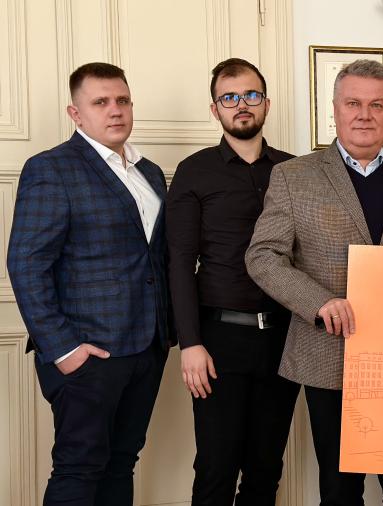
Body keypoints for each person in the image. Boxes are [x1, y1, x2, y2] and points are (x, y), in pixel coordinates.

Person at [245, 59, 383, 506]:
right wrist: (318, 303)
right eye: (353, 103)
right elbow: (262, 256)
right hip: (328, 353)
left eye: (377, 105)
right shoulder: (295, 176)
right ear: (333, 109)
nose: (364, 114)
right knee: (339, 489)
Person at [7, 62, 171, 505]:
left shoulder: (149, 173)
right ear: (75, 113)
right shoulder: (51, 169)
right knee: (79, 468)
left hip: (146, 348)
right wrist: (63, 349)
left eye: (123, 100)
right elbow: (25, 263)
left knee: (122, 462)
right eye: (101, 102)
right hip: (87, 353)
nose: (115, 110)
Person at [166, 58, 301, 505]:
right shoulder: (194, 171)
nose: (241, 105)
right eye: (230, 98)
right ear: (215, 109)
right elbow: (180, 262)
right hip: (218, 339)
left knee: (265, 470)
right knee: (216, 469)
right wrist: (190, 344)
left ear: (266, 103)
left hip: (283, 338)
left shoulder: (294, 171)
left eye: (251, 95)